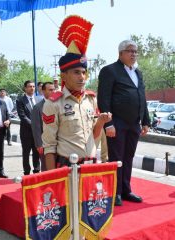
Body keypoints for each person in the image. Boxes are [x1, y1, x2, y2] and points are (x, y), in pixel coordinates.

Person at [42, 15, 111, 170]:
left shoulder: (91, 99)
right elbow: (49, 146)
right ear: (63, 76)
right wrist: (53, 179)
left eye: (84, 72)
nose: (82, 77)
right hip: (66, 169)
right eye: (76, 72)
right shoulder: (53, 103)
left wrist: (100, 122)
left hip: (89, 168)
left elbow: (93, 136)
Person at [98, 40, 150, 206]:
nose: (133, 54)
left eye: (135, 51)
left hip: (134, 123)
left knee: (128, 157)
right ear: (120, 53)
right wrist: (108, 124)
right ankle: (115, 192)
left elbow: (142, 97)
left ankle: (126, 190)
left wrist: (146, 121)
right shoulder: (110, 71)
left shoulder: (138, 73)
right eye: (130, 51)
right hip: (117, 123)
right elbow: (103, 99)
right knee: (116, 158)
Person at [16, 80, 40, 175]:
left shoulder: (39, 99)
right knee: (26, 153)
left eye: (33, 86)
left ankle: (36, 170)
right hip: (26, 132)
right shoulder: (20, 100)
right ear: (25, 88)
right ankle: (26, 171)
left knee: (37, 152)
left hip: (37, 133)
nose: (32, 88)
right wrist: (34, 125)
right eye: (30, 86)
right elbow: (22, 116)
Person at [31, 82, 55, 171]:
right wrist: (39, 144)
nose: (53, 91)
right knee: (46, 167)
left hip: (58, 143)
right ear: (43, 91)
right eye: (50, 90)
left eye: (54, 89)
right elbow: (36, 127)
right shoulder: (38, 107)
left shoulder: (58, 104)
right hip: (45, 144)